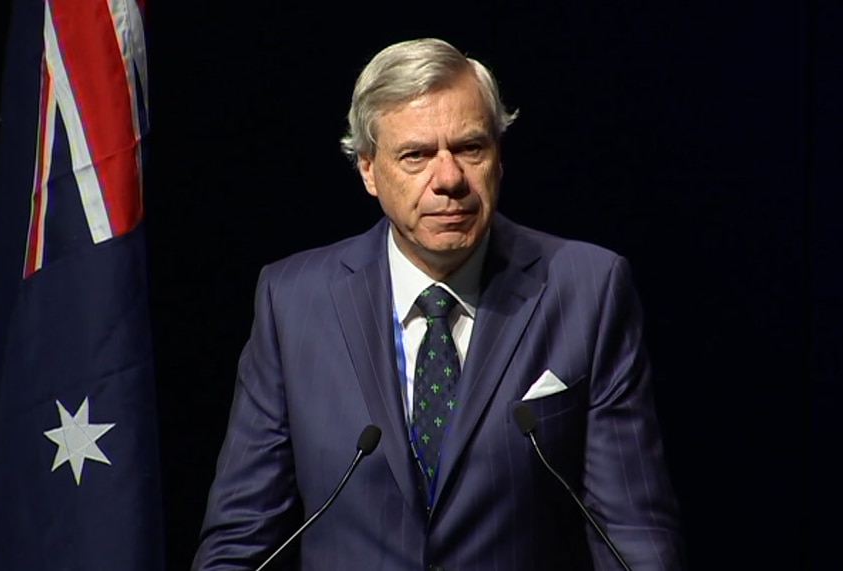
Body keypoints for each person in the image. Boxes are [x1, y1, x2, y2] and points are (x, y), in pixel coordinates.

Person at [192, 38, 685, 570]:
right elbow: (241, 541)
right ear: (368, 169)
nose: (449, 179)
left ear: (498, 157)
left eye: (470, 148)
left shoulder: (586, 288)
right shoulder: (294, 301)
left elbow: (633, 534)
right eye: (416, 155)